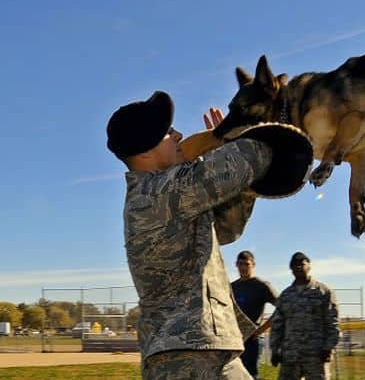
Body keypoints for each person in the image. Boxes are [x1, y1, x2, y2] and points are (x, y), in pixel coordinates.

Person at [107, 92, 309, 379]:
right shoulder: (159, 193)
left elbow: (226, 230)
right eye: (167, 132)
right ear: (145, 152)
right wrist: (256, 130)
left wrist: (228, 147)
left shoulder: (170, 195)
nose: (178, 135)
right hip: (188, 356)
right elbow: (250, 158)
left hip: (202, 352)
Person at [269, 252, 339, 380]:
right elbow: (277, 324)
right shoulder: (286, 295)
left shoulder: (323, 292)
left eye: (302, 264)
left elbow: (332, 322)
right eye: (295, 265)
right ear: (291, 269)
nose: (298, 267)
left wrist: (328, 348)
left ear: (309, 266)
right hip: (290, 356)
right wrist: (275, 350)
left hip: (316, 355)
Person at [230, 250, 279, 379]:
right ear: (236, 265)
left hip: (253, 339)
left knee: (251, 374)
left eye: (246, 264)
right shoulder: (232, 287)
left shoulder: (262, 286)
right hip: (235, 338)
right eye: (240, 264)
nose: (243, 268)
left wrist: (261, 329)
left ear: (253, 264)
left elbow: (281, 308)